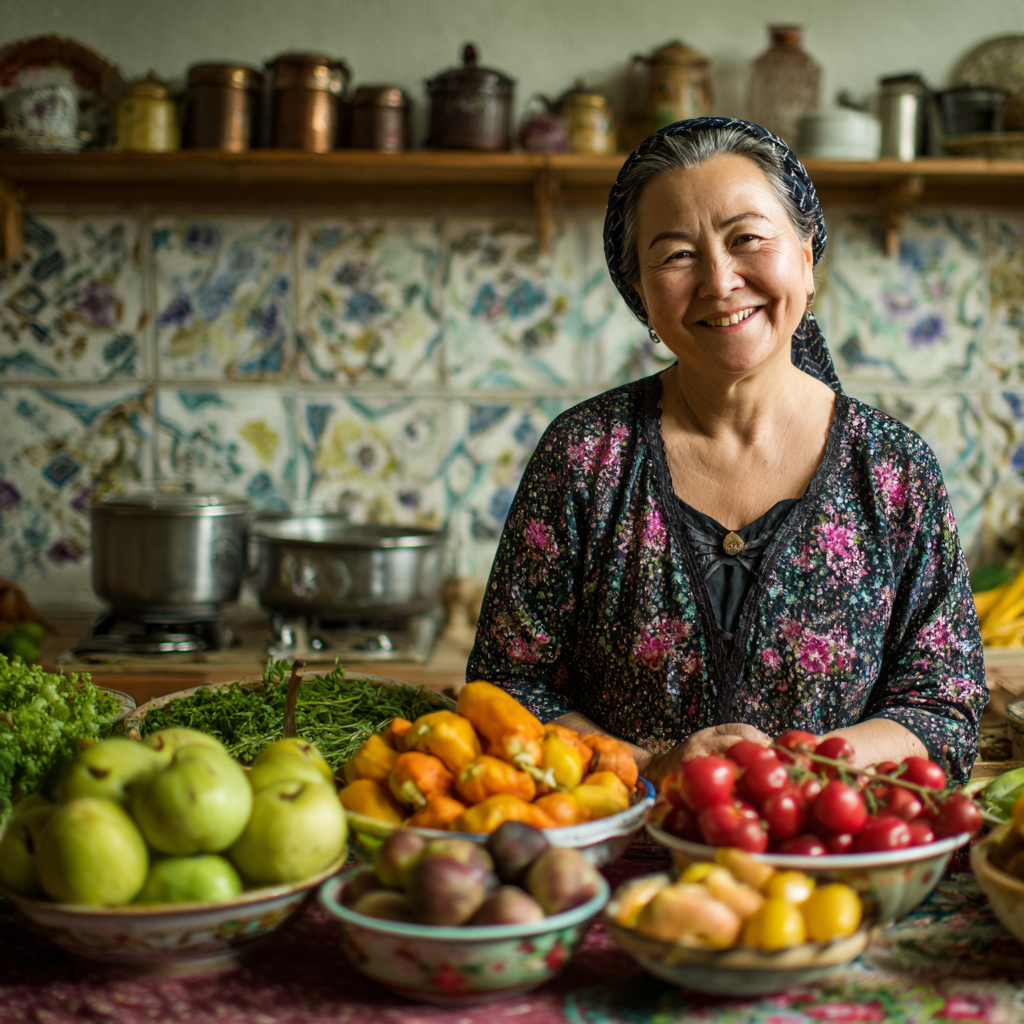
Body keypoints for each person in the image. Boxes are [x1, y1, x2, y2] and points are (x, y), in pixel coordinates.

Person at [467, 117, 987, 788]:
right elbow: (505, 689)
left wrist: (799, 771)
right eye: (677, 255)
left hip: (830, 842)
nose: (719, 280)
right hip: (619, 843)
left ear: (805, 258)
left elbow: (944, 707)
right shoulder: (584, 457)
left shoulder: (892, 469)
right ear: (641, 294)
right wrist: (650, 769)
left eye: (747, 238)